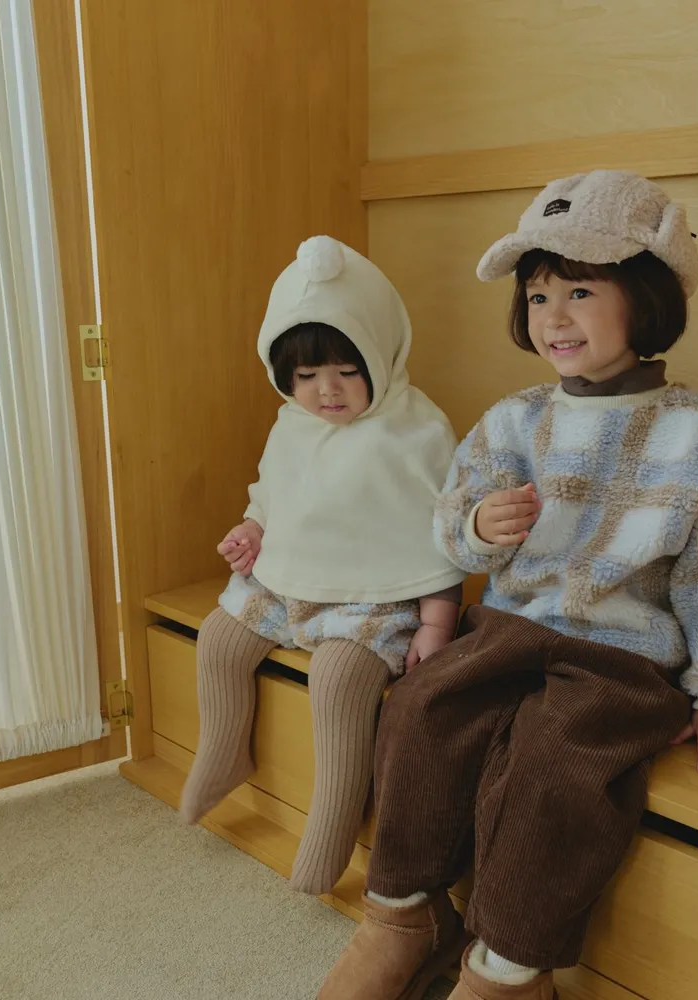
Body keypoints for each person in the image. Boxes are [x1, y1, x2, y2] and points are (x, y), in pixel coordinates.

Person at [318, 171, 698, 999]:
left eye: (580, 292)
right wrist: (477, 528)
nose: (553, 317)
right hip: (509, 628)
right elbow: (451, 518)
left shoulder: (697, 442)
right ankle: (402, 915)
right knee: (422, 711)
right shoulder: (514, 420)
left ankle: (509, 969)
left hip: (620, 656)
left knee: (554, 766)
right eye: (537, 297)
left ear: (647, 299)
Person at [180, 236, 464, 896]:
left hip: (376, 600)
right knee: (219, 637)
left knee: (337, 679)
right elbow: (273, 494)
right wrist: (252, 531)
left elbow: (442, 534)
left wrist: (437, 624)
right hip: (288, 582)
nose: (325, 391)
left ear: (382, 356)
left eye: (345, 370)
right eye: (305, 376)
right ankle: (224, 750)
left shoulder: (417, 431)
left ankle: (333, 821)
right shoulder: (293, 424)